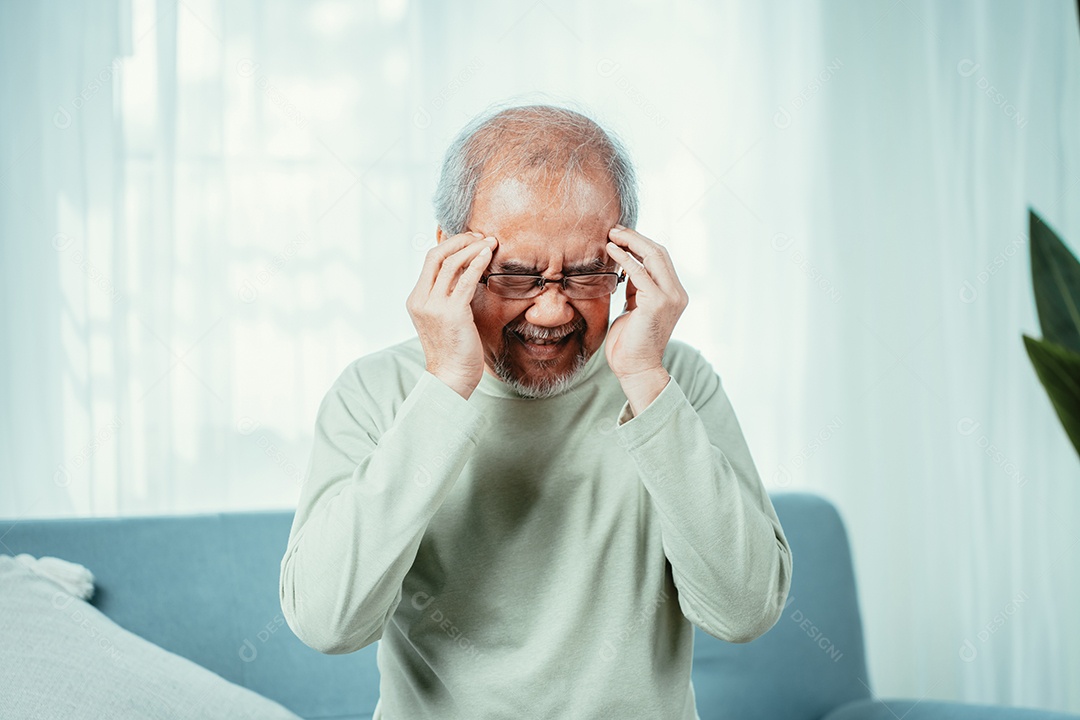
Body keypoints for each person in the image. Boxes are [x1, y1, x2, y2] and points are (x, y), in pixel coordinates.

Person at [279, 104, 792, 719]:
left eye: (584, 275)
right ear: (450, 258)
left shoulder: (673, 382)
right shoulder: (374, 392)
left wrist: (646, 380)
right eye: (516, 276)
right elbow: (327, 623)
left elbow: (743, 612)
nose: (551, 313)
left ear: (626, 259)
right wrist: (445, 384)